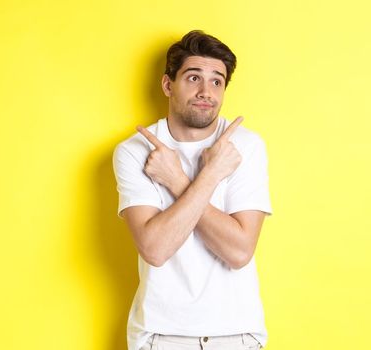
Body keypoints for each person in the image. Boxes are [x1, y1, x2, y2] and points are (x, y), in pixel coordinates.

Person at [112, 30, 273, 350]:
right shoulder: (135, 151)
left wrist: (179, 180)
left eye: (217, 81)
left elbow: (239, 251)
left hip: (236, 332)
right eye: (193, 77)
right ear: (168, 84)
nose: (205, 91)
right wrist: (210, 176)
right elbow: (155, 249)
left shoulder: (245, 146)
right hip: (160, 334)